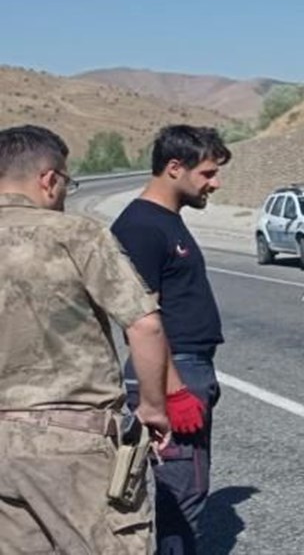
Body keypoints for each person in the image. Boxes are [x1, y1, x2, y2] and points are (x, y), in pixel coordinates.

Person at [0, 125, 172, 553]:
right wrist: (152, 407)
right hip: (74, 444)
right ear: (49, 179)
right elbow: (144, 325)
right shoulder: (75, 233)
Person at [111, 125, 231, 555]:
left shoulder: (164, 220)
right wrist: (174, 391)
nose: (214, 183)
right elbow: (143, 318)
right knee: (182, 498)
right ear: (174, 168)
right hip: (172, 372)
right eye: (207, 173)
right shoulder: (142, 226)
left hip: (185, 366)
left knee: (185, 493)